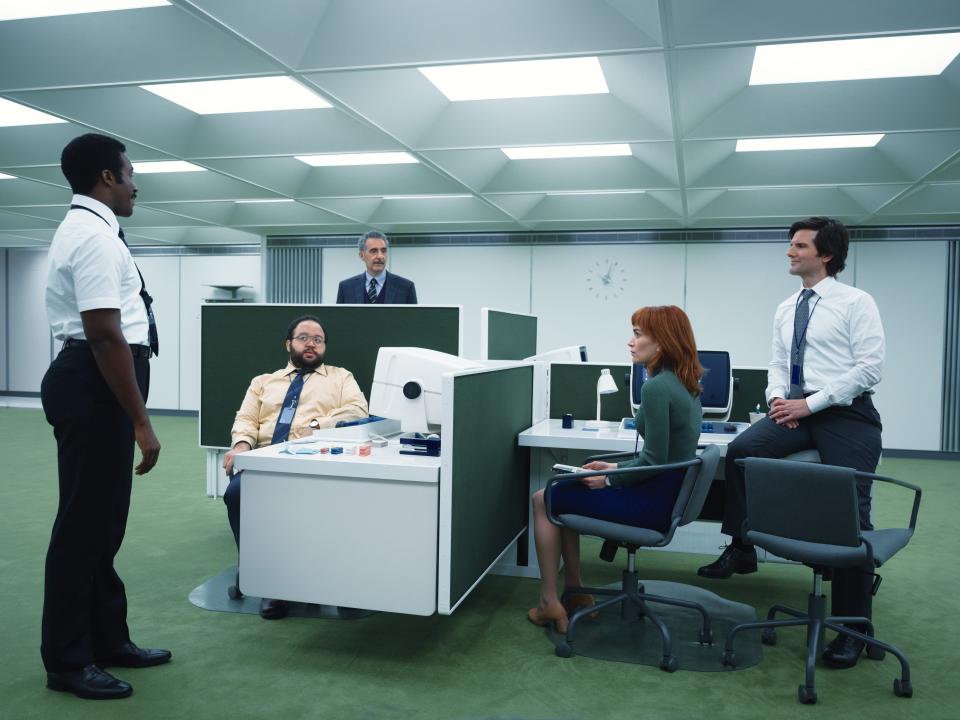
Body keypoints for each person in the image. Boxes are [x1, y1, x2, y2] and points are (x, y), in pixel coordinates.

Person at [697, 217, 885, 670]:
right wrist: (777, 398)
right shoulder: (787, 307)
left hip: (845, 412)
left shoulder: (856, 302)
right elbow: (778, 362)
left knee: (851, 512)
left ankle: (853, 628)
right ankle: (742, 546)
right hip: (794, 408)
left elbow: (869, 368)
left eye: (799, 246)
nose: (790, 251)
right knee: (741, 453)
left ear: (826, 255)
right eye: (791, 245)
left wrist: (812, 404)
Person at [40, 133, 167, 700]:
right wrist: (141, 420)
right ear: (108, 178)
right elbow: (103, 332)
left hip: (100, 385)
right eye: (131, 171)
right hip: (95, 386)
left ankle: (106, 640)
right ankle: (68, 661)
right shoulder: (91, 236)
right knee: (83, 527)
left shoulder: (97, 231)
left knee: (104, 523)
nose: (137, 182)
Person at [527, 306, 703, 632]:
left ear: (661, 343)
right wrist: (613, 466)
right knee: (568, 490)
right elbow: (663, 457)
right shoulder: (686, 384)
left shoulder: (656, 387)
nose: (630, 342)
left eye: (637, 334)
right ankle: (576, 593)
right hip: (666, 492)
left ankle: (548, 601)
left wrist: (609, 478)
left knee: (544, 497)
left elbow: (654, 461)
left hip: (652, 502)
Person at [222, 315, 369, 619]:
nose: (311, 343)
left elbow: (358, 410)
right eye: (304, 337)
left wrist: (318, 425)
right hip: (266, 461)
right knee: (236, 493)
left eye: (318, 339)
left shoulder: (341, 378)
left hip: (315, 461)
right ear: (288, 344)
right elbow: (246, 420)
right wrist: (241, 447)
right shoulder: (263, 382)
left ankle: (332, 579)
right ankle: (266, 579)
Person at [336, 230, 417, 304]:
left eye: (383, 251)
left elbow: (414, 319)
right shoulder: (346, 288)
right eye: (374, 251)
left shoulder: (406, 288)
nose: (380, 256)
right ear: (361, 255)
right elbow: (338, 319)